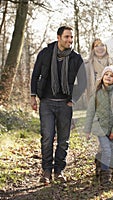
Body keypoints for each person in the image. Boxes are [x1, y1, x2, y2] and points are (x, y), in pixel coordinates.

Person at [30, 26, 86, 184]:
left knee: (64, 139)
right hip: (46, 102)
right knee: (47, 137)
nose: (70, 40)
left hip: (64, 104)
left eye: (71, 37)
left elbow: (83, 82)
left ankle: (59, 170)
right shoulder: (45, 53)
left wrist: (73, 100)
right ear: (59, 37)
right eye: (67, 37)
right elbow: (35, 75)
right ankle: (46, 170)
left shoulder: (76, 58)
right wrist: (33, 96)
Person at [84, 65, 113, 186]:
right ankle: (105, 175)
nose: (108, 77)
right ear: (102, 77)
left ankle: (108, 168)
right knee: (106, 150)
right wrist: (87, 130)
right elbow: (90, 112)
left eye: (111, 76)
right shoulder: (97, 93)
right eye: (106, 74)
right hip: (100, 128)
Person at [85, 38, 113, 117]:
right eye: (96, 46)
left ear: (106, 47)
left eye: (102, 45)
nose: (100, 48)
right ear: (92, 49)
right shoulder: (87, 65)